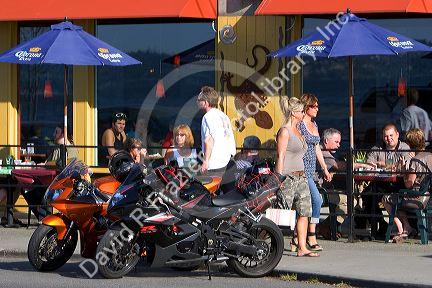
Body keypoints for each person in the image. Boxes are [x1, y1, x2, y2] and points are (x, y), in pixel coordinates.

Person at [276, 96, 318, 257]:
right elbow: (280, 156)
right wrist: (278, 178)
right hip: (288, 177)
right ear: (294, 113)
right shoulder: (284, 131)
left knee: (304, 212)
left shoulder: (299, 130)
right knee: (281, 213)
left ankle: (302, 247)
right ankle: (269, 242)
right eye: (301, 111)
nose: (303, 113)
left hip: (302, 176)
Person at [317, 128, 375, 238]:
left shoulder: (322, 151)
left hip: (322, 188)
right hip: (320, 191)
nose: (339, 145)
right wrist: (362, 165)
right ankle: (327, 226)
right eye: (336, 142)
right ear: (326, 141)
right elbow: (340, 166)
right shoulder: (324, 153)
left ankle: (326, 226)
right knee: (351, 201)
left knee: (348, 200)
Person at [383, 128, 431, 243]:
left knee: (386, 198)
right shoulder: (430, 155)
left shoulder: (416, 160)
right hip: (428, 195)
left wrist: (405, 170)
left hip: (416, 197)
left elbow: (409, 184)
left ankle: (402, 228)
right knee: (397, 197)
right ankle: (407, 227)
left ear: (410, 144)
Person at [299, 93, 331, 252]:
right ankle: (311, 235)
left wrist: (324, 167)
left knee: (306, 203)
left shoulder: (314, 124)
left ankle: (297, 238)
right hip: (302, 169)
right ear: (306, 107)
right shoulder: (299, 125)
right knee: (317, 200)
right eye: (314, 106)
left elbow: (317, 147)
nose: (317, 109)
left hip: (312, 169)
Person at [197, 86, 236, 177]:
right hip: (228, 161)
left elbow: (209, 140)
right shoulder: (223, 115)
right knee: (226, 191)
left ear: (206, 103)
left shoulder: (207, 117)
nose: (197, 102)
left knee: (209, 190)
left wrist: (206, 161)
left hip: (215, 163)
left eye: (199, 100)